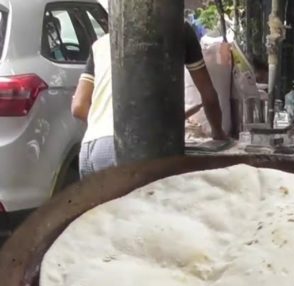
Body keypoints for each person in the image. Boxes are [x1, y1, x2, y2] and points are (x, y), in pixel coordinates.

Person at [71, 22, 225, 178]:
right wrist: (218, 134)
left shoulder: (102, 43)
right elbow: (208, 95)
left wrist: (105, 130)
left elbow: (78, 106)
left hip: (89, 151)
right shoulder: (177, 30)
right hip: (124, 147)